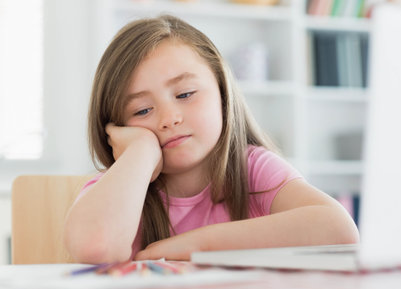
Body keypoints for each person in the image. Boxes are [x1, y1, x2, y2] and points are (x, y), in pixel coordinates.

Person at [64, 15, 359, 264]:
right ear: (116, 127)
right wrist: (140, 151)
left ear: (221, 91)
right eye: (142, 110)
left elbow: (339, 229)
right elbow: (97, 248)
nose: (169, 118)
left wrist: (194, 248)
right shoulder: (117, 186)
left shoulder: (252, 168)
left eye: (185, 94)